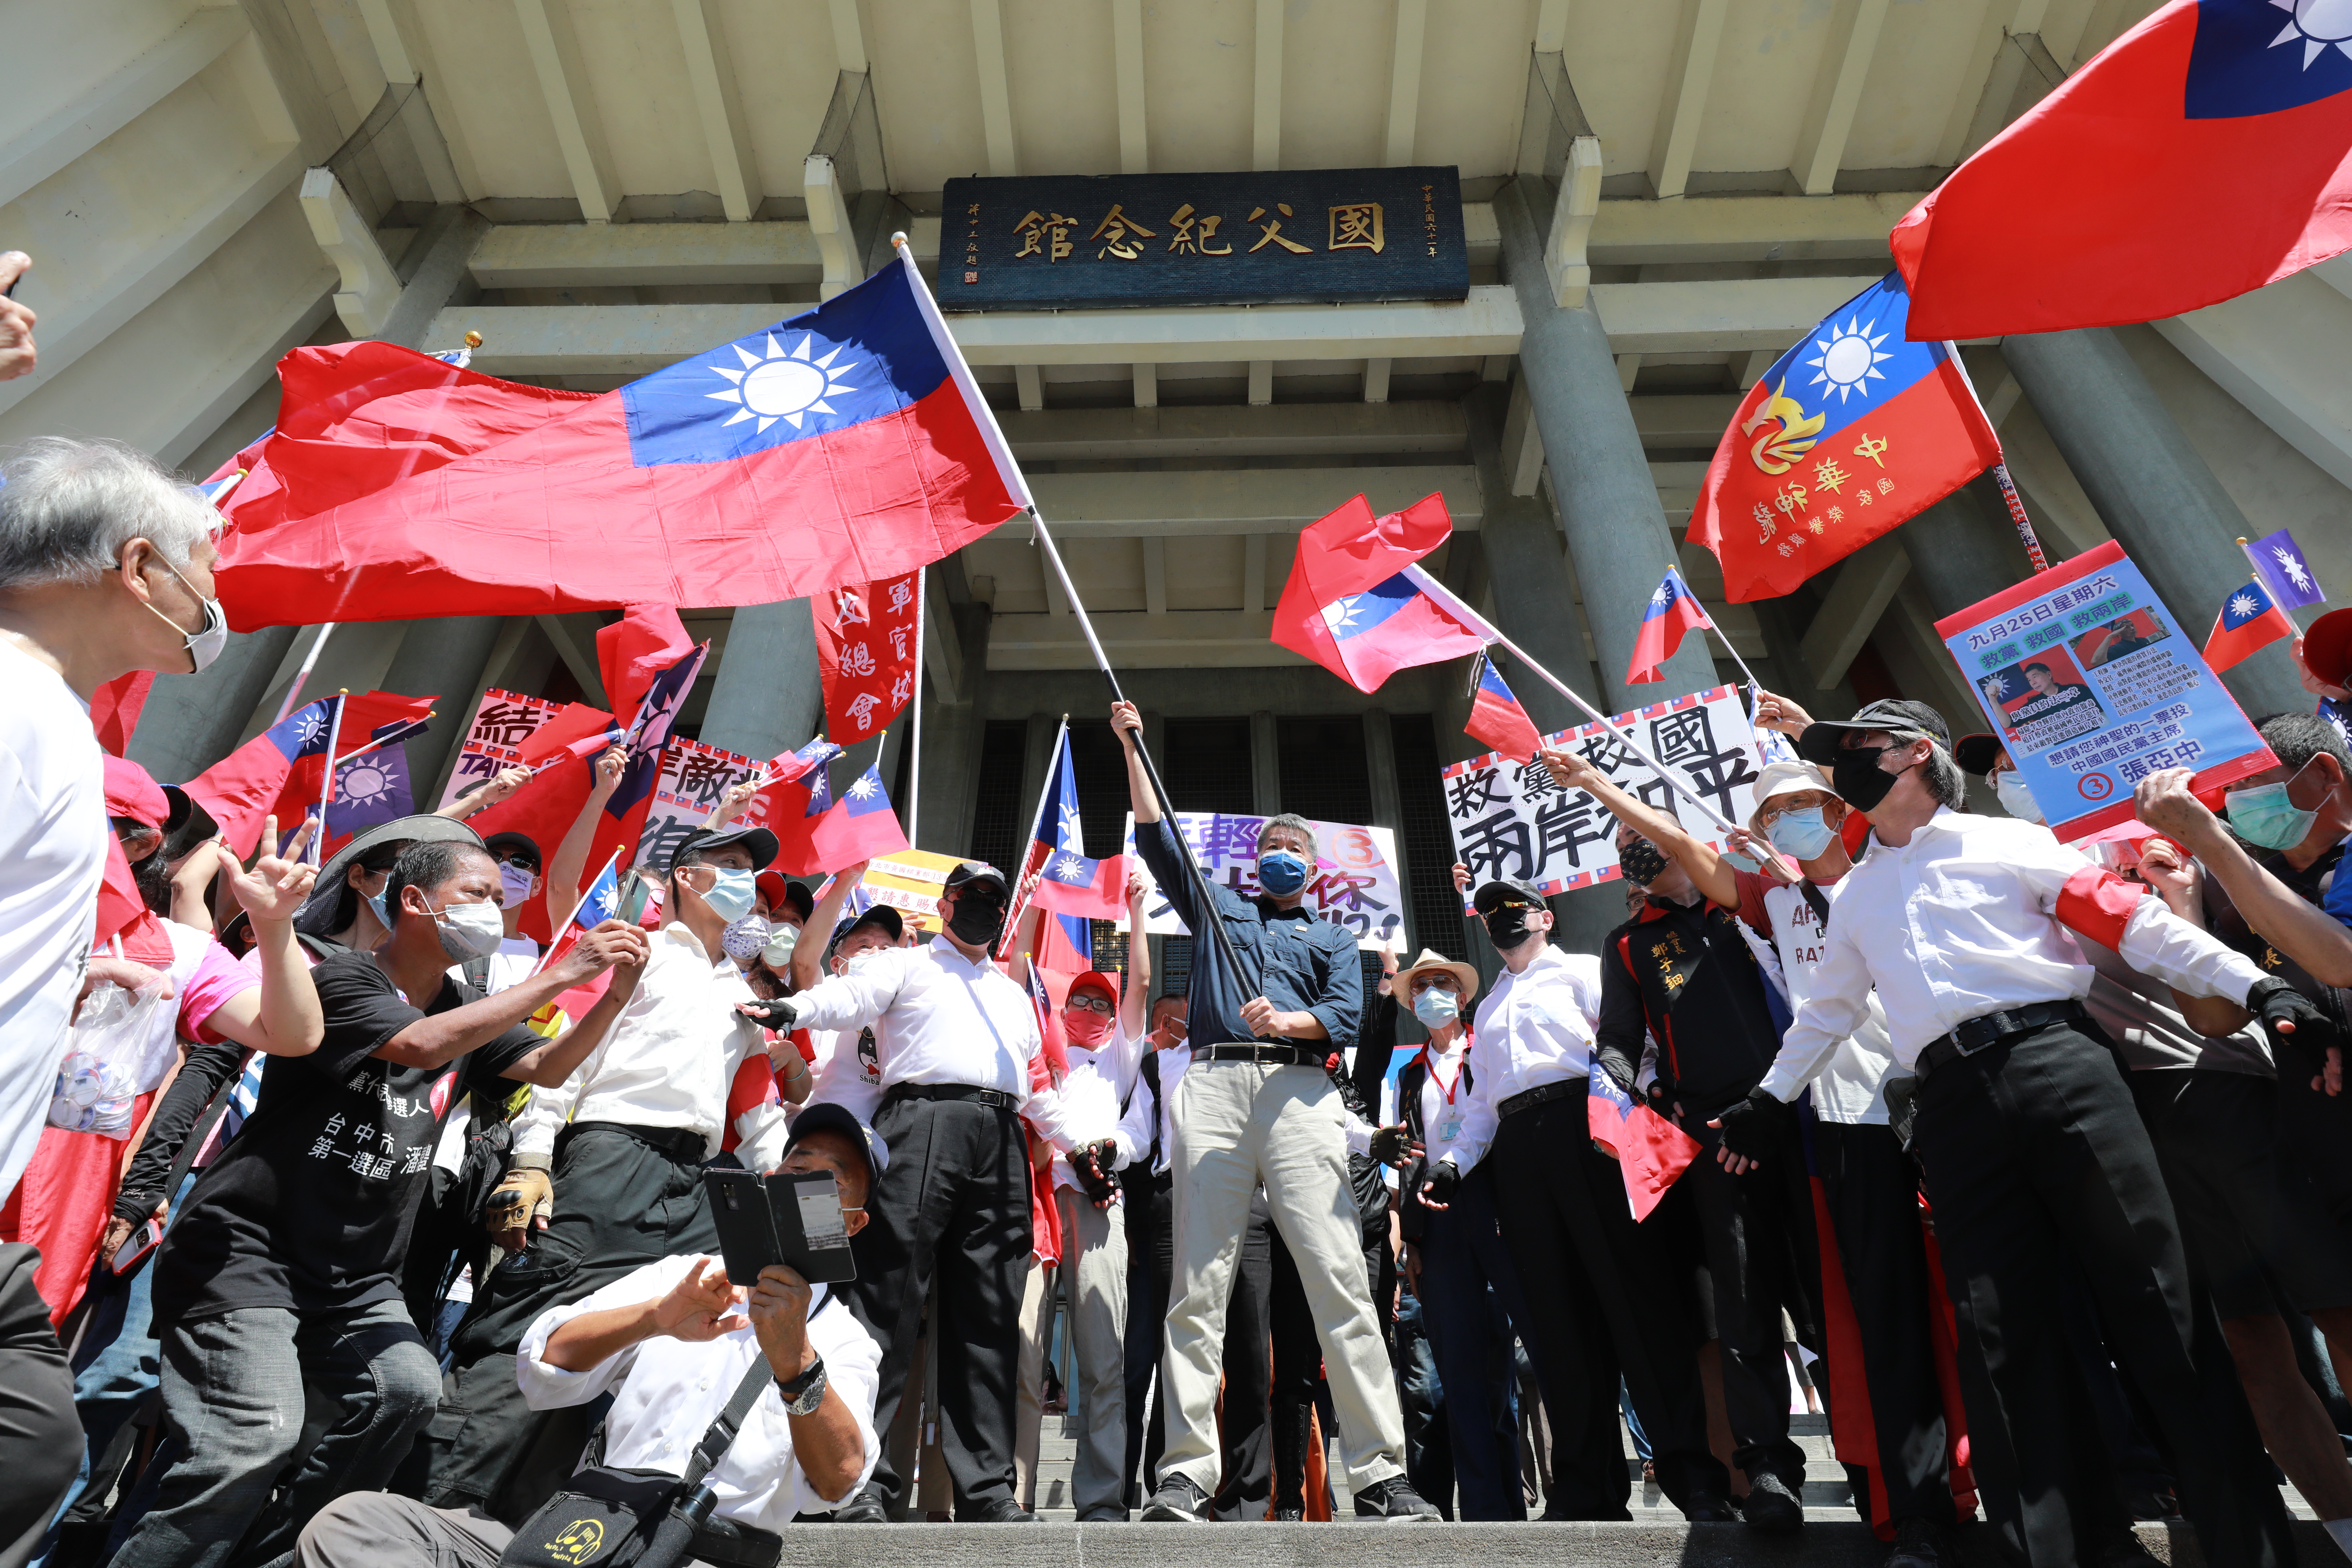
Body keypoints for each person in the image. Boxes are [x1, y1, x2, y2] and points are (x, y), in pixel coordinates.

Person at [1722, 697, 2312, 1568]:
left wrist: (2256, 986)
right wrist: (1767, 1099)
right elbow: (1827, 1013)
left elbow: (2136, 924)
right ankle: (2062, 1550)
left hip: (2060, 1066)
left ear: (1914, 755)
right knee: (2001, 1336)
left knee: (2158, 1300)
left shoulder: (2010, 841)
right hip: (1951, 1107)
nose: (1837, 768)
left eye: (1855, 749)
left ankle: (2251, 1548)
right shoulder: (1854, 899)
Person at [112, 837, 649, 1568]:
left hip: (357, 1279)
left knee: (405, 1390)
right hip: (249, 1252)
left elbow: (546, 1064)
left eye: (500, 896)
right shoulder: (347, 981)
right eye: (480, 894)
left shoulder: (467, 1003)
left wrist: (611, 997)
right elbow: (424, 1045)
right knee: (254, 1432)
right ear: (414, 900)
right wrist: (562, 974)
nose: (496, 909)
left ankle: (278, 1555)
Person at [1597, 707, 1971, 1565]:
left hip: (1936, 1102)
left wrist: (1809, 732)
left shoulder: (1885, 870)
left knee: (1964, 1301)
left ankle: (2016, 1477)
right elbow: (1805, 1021)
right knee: (1832, 1312)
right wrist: (1601, 785)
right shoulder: (1760, 905)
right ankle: (1874, 1494)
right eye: (1773, 815)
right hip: (1799, 1126)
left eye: (1806, 804)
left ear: (1845, 806)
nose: (1791, 823)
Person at [290, 1101, 888, 1568]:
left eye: (828, 1184)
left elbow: (837, 1481)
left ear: (854, 1224)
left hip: (701, 1553)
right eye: (795, 1167)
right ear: (766, 1180)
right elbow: (543, 1362)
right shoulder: (683, 1275)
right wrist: (655, 1317)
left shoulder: (845, 1341)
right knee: (355, 1525)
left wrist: (797, 1366)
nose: (799, 1184)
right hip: (579, 1534)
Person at [1105, 700, 1435, 1524]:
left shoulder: (1331, 936)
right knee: (1198, 1285)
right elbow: (1157, 836)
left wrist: (1291, 1022)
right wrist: (1133, 744)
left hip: (1300, 1093)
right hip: (1214, 1089)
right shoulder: (1219, 909)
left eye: (1296, 850)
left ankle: (1382, 1474)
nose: (1284, 858)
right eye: (1273, 849)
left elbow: (1348, 1016)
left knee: (1340, 1279)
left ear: (1314, 866)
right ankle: (1184, 1473)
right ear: (1255, 864)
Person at [428, 823, 797, 1519]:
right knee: (533, 1327)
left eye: (752, 870)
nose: (749, 884)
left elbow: (759, 1116)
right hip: (607, 1161)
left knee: (640, 1347)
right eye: (734, 864)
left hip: (695, 1186)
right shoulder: (632, 949)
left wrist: (786, 1205)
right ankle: (442, 1504)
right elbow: (563, 1060)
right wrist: (534, 1159)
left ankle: (524, 1523)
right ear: (687, 878)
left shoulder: (742, 997)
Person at [748, 859, 1090, 1523]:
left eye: (995, 900)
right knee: (885, 1305)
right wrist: (796, 1009)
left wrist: (1086, 1145)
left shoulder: (1014, 996)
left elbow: (1036, 1092)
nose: (984, 909)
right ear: (946, 902)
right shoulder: (904, 964)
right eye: (972, 897)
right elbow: (848, 1002)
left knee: (989, 1315)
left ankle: (987, 1489)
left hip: (1000, 1138)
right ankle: (863, 1483)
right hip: (919, 1125)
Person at [1533, 742, 1821, 1528]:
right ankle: (1767, 1469)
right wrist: (1613, 1093)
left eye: (1653, 840)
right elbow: (1623, 1039)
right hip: (1715, 1133)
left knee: (1826, 1295)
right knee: (1744, 1305)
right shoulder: (1627, 943)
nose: (1645, 853)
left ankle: (1876, 1462)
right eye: (1633, 852)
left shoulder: (1756, 902)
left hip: (1800, 1109)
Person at [1421, 874, 1729, 1524]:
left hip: (1589, 1129)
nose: (1503, 919)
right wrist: (1453, 1163)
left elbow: (1635, 1045)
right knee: (1557, 1324)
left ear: (1545, 919)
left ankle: (1692, 1476)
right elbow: (1481, 1103)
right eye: (1491, 912)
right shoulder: (1488, 1006)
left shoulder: (1587, 971)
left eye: (1517, 908)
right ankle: (1588, 1488)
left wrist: (1648, 1099)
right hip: (1519, 1153)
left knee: (1638, 1305)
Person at [0, 436, 231, 1209]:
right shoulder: (15, 701)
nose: (211, 597)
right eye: (204, 566)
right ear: (138, 568)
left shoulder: (50, 709)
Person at [1005, 874, 1153, 1521]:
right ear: (1062, 1009)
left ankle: (1100, 1497)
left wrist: (1137, 911)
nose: (1092, 1013)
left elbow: (1142, 985)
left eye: (1103, 1004)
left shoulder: (1120, 1063)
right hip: (1037, 1200)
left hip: (1098, 1207)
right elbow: (1022, 972)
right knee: (1024, 1350)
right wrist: (1040, 900)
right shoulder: (1041, 1044)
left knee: (1102, 1355)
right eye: (1082, 1002)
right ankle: (1014, 1494)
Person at [1378, 947, 1538, 1521]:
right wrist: (1413, 1242)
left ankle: (1517, 1502)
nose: (1431, 995)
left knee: (1507, 1369)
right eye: (1420, 988)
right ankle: (1483, 1510)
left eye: (1442, 984)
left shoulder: (1486, 1049)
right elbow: (1408, 1161)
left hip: (1495, 1212)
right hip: (1438, 1221)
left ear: (1464, 995)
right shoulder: (1411, 1073)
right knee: (1460, 1373)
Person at [1114, 992, 1190, 1507]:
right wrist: (1134, 1236)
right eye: (1190, 1017)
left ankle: (1165, 1482)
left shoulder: (1210, 1067)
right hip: (1149, 1238)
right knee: (1136, 1366)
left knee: (1180, 1363)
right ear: (1167, 1022)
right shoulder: (1145, 1071)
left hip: (1203, 1218)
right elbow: (1133, 1161)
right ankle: (1116, 1488)